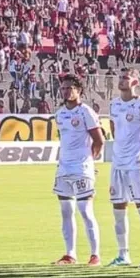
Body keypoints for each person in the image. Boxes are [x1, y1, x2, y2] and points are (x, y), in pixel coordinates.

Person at [107, 69, 140, 269]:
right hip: (118, 163)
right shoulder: (114, 104)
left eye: (126, 78)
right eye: (120, 78)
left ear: (135, 81)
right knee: (118, 211)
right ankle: (123, 255)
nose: (121, 81)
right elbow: (114, 129)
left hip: (136, 165)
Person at [52, 74, 104, 266]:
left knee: (85, 210)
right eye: (63, 88)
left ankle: (95, 254)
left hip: (82, 168)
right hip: (64, 168)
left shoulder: (86, 112)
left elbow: (99, 141)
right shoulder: (60, 114)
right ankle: (70, 254)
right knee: (66, 210)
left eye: (69, 88)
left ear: (78, 90)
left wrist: (90, 162)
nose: (66, 91)